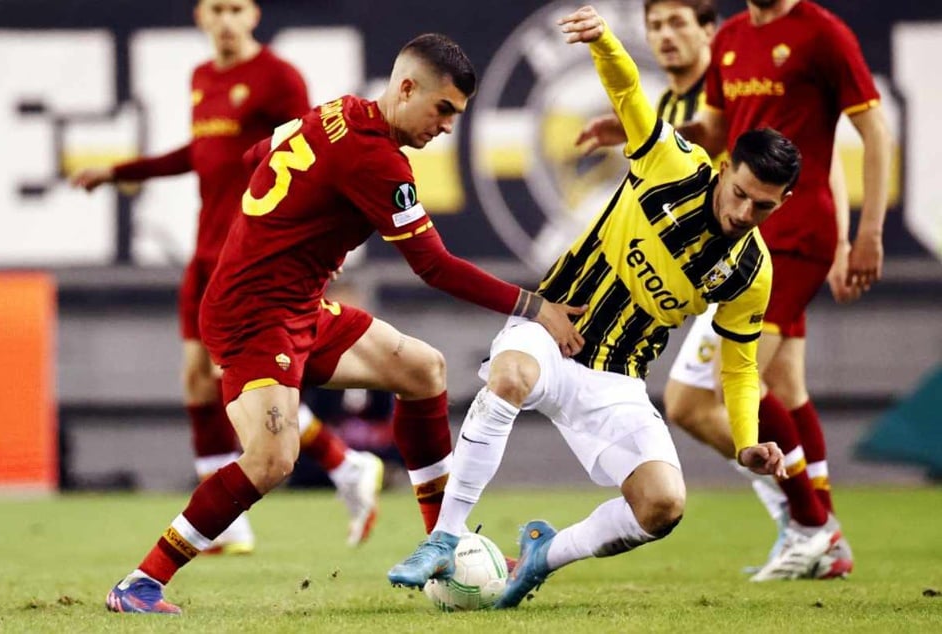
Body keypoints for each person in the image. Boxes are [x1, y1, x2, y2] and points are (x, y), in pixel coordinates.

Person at [103, 31, 586, 615]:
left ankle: (443, 542)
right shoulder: (376, 161)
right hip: (252, 315)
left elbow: (259, 154)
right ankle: (140, 583)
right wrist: (535, 308)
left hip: (299, 304)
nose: (447, 126)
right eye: (443, 110)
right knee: (272, 459)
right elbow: (434, 266)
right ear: (406, 88)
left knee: (423, 369)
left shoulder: (340, 112)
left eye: (456, 115)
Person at [388, 5, 798, 608]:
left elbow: (738, 365)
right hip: (553, 329)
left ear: (781, 203)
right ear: (723, 167)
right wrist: (604, 41)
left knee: (663, 506)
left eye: (762, 206)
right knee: (509, 375)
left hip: (618, 379)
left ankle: (543, 554)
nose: (743, 213)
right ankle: (445, 538)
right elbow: (629, 91)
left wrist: (745, 440)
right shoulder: (672, 165)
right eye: (739, 193)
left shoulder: (751, 271)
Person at [576, 0, 890, 581]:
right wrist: (624, 128)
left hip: (790, 242)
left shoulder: (823, 33)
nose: (668, 35)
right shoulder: (735, 38)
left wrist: (863, 234)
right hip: (741, 239)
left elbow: (867, 133)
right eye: (658, 26)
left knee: (696, 396)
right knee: (785, 387)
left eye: (677, 23)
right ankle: (819, 532)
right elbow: (718, 132)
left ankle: (812, 526)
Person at [71, 0, 382, 554]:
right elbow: (202, 152)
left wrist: (316, 247)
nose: (225, 20)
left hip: (252, 257)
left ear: (254, 15)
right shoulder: (201, 78)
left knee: (236, 384)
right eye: (215, 9)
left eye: (235, 8)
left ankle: (336, 465)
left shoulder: (280, 78)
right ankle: (264, 504)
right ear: (200, 17)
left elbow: (312, 153)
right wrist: (120, 172)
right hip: (204, 250)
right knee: (197, 379)